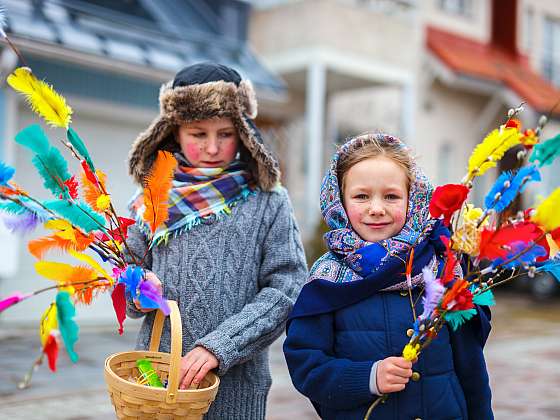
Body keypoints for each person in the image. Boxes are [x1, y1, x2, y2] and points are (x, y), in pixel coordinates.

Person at [124, 62, 307, 419]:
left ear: (243, 132)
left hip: (235, 387)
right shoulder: (152, 195)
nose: (212, 147)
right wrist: (137, 289)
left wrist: (219, 347)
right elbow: (126, 271)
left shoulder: (268, 200)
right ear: (175, 132)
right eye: (198, 133)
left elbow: (288, 287)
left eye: (225, 133)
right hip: (156, 379)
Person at [283, 133, 493, 419]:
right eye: (361, 196)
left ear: (413, 200)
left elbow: (472, 369)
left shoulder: (443, 268)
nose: (377, 208)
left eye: (391, 196)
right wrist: (369, 377)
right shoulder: (327, 279)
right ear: (340, 202)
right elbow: (306, 365)